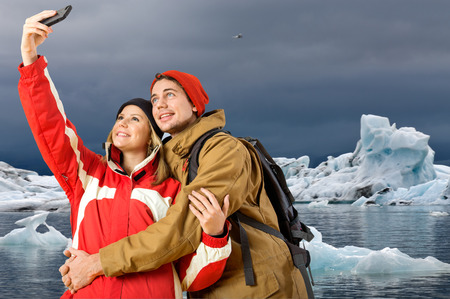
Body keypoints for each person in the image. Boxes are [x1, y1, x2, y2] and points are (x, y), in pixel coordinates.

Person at [18, 10, 232, 298]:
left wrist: (216, 236)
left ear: (152, 133)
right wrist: (31, 60)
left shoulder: (173, 189)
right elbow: (51, 127)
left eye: (135, 119)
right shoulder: (87, 175)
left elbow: (193, 279)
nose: (123, 123)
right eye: (120, 117)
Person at [61, 72, 311, 296]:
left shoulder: (225, 151)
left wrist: (98, 263)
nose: (160, 104)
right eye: (155, 99)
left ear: (194, 103)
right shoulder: (167, 159)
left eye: (170, 94)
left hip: (262, 286)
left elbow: (183, 225)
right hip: (212, 287)